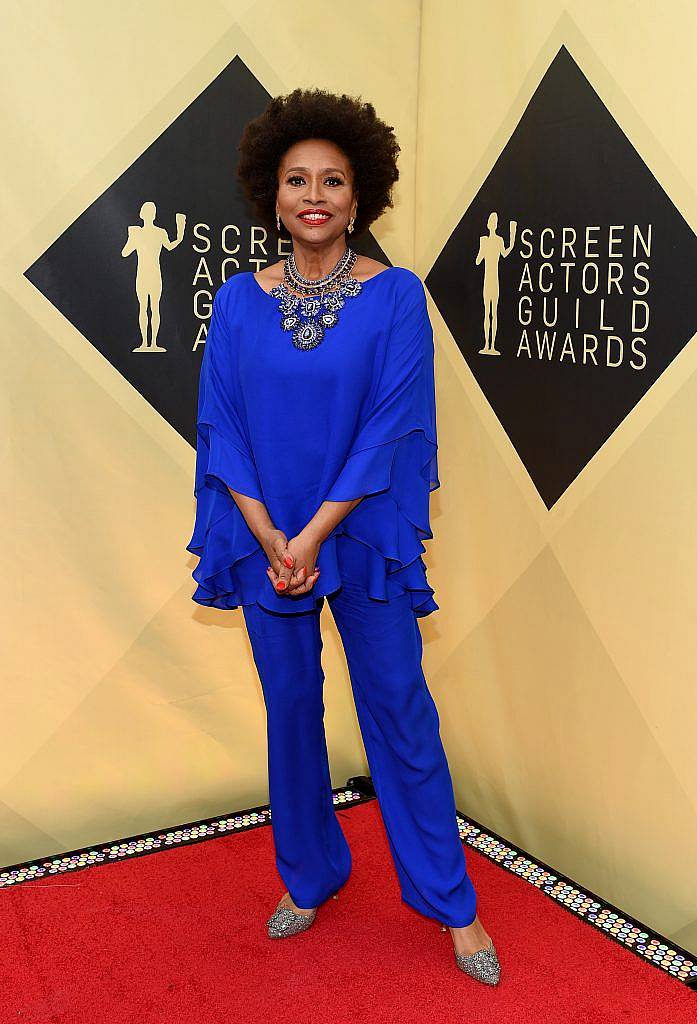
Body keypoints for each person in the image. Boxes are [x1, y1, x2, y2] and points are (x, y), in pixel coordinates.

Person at [186, 87, 500, 986]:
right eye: (296, 181)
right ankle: (311, 874)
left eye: (332, 180)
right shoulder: (238, 300)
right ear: (272, 196)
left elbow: (391, 425)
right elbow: (222, 427)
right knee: (290, 718)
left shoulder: (396, 297)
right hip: (263, 540)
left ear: (359, 199)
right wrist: (267, 533)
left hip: (358, 541)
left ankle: (451, 905)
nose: (313, 194)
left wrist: (314, 535)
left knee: (399, 711)